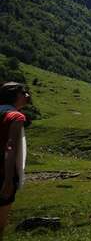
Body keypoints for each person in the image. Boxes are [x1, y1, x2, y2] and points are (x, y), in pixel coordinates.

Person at [0, 82, 30, 240]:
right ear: (14, 95)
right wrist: (8, 180)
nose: (27, 96)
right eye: (23, 93)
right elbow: (10, 148)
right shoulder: (16, 117)